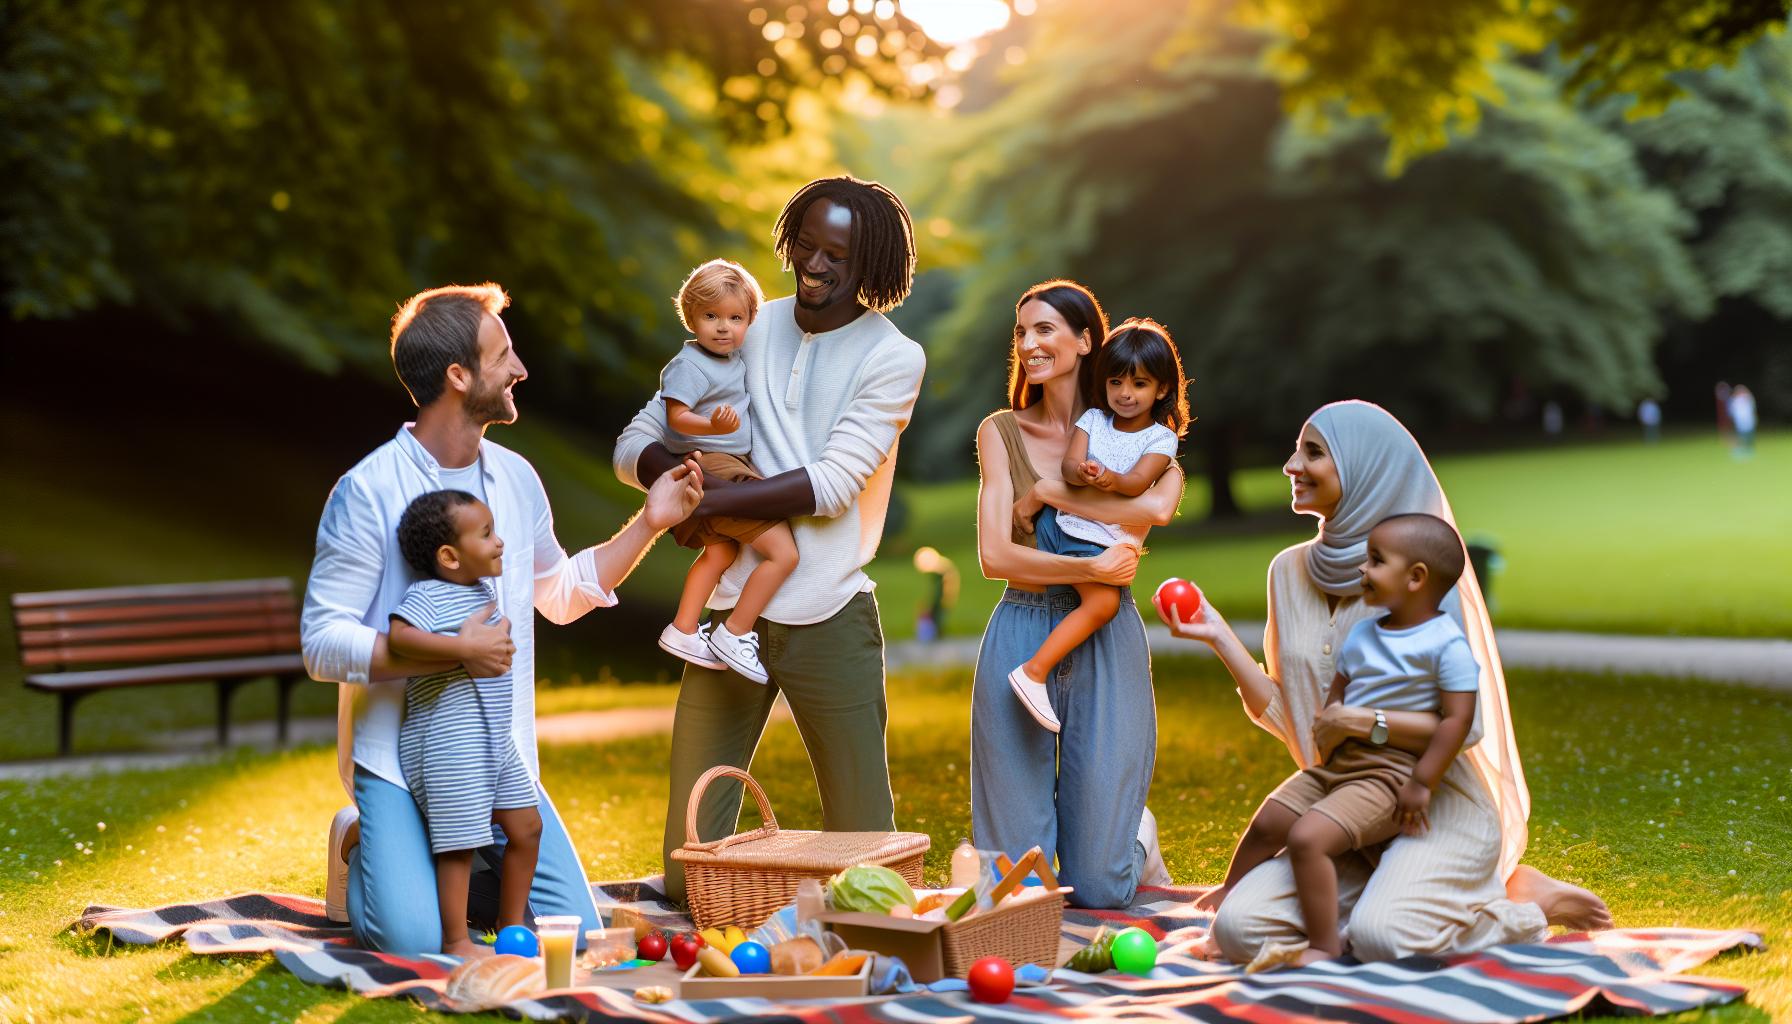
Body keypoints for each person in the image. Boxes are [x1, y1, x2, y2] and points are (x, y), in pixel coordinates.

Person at [303, 282, 702, 954]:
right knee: (414, 943)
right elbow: (321, 643)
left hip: (497, 752)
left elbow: (559, 593)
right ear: (458, 376)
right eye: (502, 356)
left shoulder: (516, 479)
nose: (520, 369)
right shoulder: (367, 490)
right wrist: (448, 650)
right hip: (396, 759)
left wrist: (651, 522)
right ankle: (367, 844)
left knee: (574, 935)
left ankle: (427, 862)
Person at [1159, 399, 1611, 963]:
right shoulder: (1287, 572)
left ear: (1367, 470)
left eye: (1313, 453)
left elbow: (1464, 726)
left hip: (1434, 808)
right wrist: (1218, 636)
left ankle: (1521, 905)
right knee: (1239, 930)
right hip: (1346, 801)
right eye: (1296, 450)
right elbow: (1293, 715)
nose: (1291, 466)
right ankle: (1400, 901)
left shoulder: (1421, 583)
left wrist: (1364, 722)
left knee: (1384, 938)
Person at [612, 176, 926, 908]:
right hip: (728, 615)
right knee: (689, 876)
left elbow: (832, 485)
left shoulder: (893, 356)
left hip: (828, 614)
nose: (814, 265)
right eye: (806, 246)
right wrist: (676, 479)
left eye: (836, 255)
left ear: (872, 263)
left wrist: (708, 503)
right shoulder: (744, 324)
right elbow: (635, 443)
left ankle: (838, 946)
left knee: (871, 869)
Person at [972, 280, 1184, 909]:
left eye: (1045, 330)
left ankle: (1135, 838)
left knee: (1099, 888)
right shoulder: (1000, 432)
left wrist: (1049, 494)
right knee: (1020, 890)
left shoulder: (1138, 436)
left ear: (1086, 340)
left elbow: (1156, 508)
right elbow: (995, 557)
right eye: (1021, 332)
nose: (1028, 345)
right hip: (1022, 627)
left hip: (1105, 638)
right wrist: (1092, 568)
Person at [1208, 513, 1481, 968]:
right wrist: (1330, 719)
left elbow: (1456, 721)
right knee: (1270, 820)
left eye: (1376, 561)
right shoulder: (1365, 633)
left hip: (1389, 776)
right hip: (1338, 766)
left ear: (1416, 578)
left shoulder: (1445, 645)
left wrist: (1422, 783)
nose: (1362, 569)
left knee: (1307, 838)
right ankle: (1228, 894)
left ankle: (1323, 945)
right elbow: (1341, 688)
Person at [1008, 318, 1187, 733]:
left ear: (1162, 389)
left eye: (1139, 384)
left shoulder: (1160, 440)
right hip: (1074, 530)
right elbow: (1069, 466)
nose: (1125, 393)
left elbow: (1137, 483)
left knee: (1103, 604)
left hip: (1102, 538)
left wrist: (1109, 478)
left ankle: (1041, 673)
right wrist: (1082, 472)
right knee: (1104, 605)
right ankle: (1034, 672)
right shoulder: (1092, 420)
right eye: (1115, 382)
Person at [386, 490, 542, 957]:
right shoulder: (427, 595)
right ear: (450, 557)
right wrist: (463, 648)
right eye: (486, 534)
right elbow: (398, 637)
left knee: (527, 827)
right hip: (449, 742)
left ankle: (511, 928)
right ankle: (455, 940)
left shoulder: (481, 592)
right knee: (459, 844)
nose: (499, 542)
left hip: (493, 739)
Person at [652, 259, 800, 684]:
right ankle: (735, 631)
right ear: (691, 318)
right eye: (711, 316)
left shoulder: (731, 360)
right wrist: (711, 426)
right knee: (784, 554)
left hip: (720, 464)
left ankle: (682, 628)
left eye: (735, 318)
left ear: (750, 321)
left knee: (720, 553)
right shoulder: (690, 364)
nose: (723, 327)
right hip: (715, 465)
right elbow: (676, 416)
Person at [1728, 385, 1757, 458]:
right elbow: (1732, 411)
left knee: (1749, 436)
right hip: (1739, 421)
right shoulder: (1735, 400)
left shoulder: (1749, 399)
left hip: (1748, 420)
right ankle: (1739, 449)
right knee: (1739, 435)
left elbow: (1752, 409)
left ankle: (1749, 449)